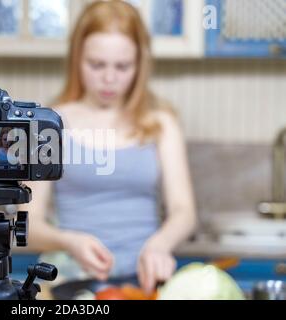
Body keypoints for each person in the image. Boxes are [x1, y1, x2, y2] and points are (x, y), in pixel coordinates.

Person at [22, 0, 197, 295]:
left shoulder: (162, 123)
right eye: (97, 64)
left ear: (140, 64)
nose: (109, 78)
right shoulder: (48, 125)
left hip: (144, 279)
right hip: (71, 280)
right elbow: (28, 226)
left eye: (123, 66)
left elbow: (184, 211)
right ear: (77, 58)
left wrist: (160, 244)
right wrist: (69, 241)